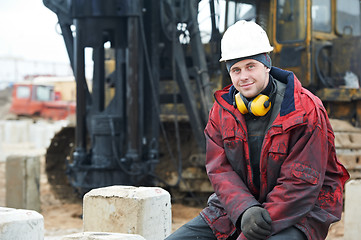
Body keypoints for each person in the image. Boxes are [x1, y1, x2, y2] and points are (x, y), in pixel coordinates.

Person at [166, 20, 350, 240]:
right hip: (237, 208)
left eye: (250, 66)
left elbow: (301, 183)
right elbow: (220, 170)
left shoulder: (305, 110)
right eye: (236, 69)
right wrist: (244, 209)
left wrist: (252, 225)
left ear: (267, 64)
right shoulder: (222, 111)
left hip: (300, 211)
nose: (243, 76)